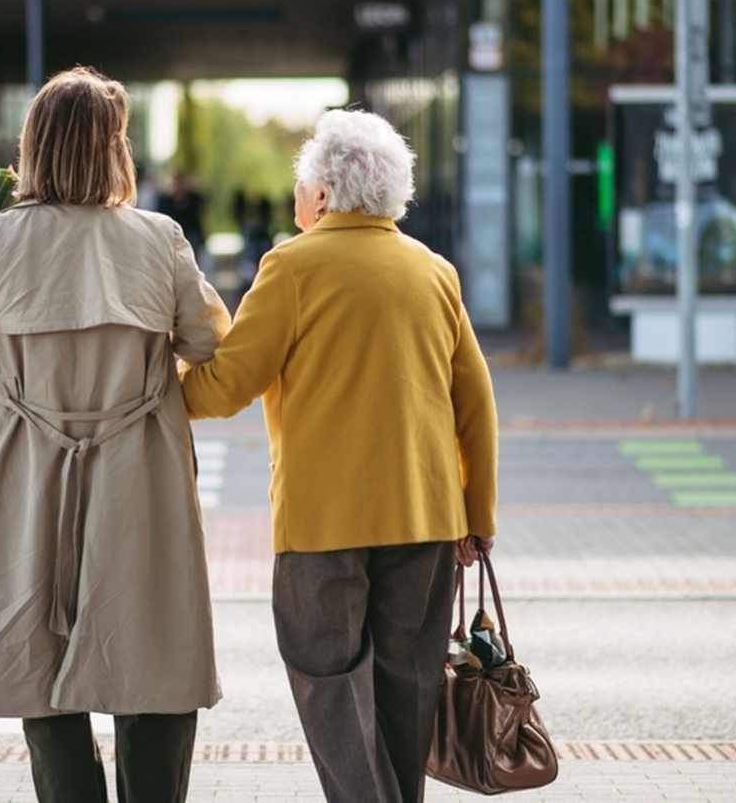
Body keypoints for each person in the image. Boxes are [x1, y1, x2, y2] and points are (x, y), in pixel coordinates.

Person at [0, 66, 230, 803]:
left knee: (39, 672)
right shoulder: (159, 238)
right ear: (113, 150)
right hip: (138, 481)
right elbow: (210, 342)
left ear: (34, 148)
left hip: (24, 482)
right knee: (153, 661)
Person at [180, 109, 499, 803]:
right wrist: (477, 516)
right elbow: (474, 402)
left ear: (322, 195)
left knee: (328, 681)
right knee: (409, 684)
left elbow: (226, 385)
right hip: (426, 519)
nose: (297, 197)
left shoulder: (291, 267)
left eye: (301, 185)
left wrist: (156, 386)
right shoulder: (434, 272)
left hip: (322, 526)